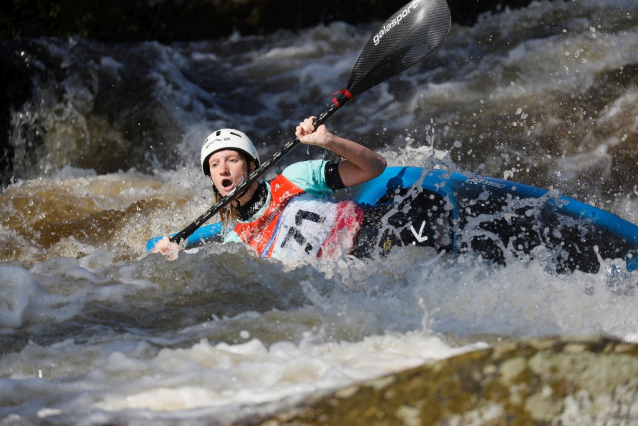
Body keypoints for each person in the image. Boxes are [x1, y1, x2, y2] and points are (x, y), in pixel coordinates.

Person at [151, 116, 387, 261]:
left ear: (252, 165)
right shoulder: (236, 246)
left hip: (378, 235)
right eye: (214, 165)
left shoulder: (296, 177)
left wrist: (329, 142)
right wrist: (176, 259)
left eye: (232, 160)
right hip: (353, 277)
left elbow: (375, 167)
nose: (223, 169)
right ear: (212, 178)